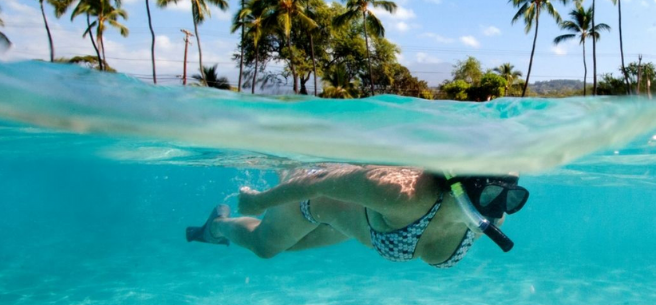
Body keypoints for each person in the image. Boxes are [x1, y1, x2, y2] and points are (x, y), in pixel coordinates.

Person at [186, 164, 529, 268]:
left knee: (289, 247)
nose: (498, 209)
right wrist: (259, 202)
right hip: (314, 199)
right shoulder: (405, 194)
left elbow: (496, 202)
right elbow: (318, 182)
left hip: (358, 223)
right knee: (266, 246)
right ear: (459, 186)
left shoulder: (493, 216)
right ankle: (216, 225)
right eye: (487, 195)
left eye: (512, 199)